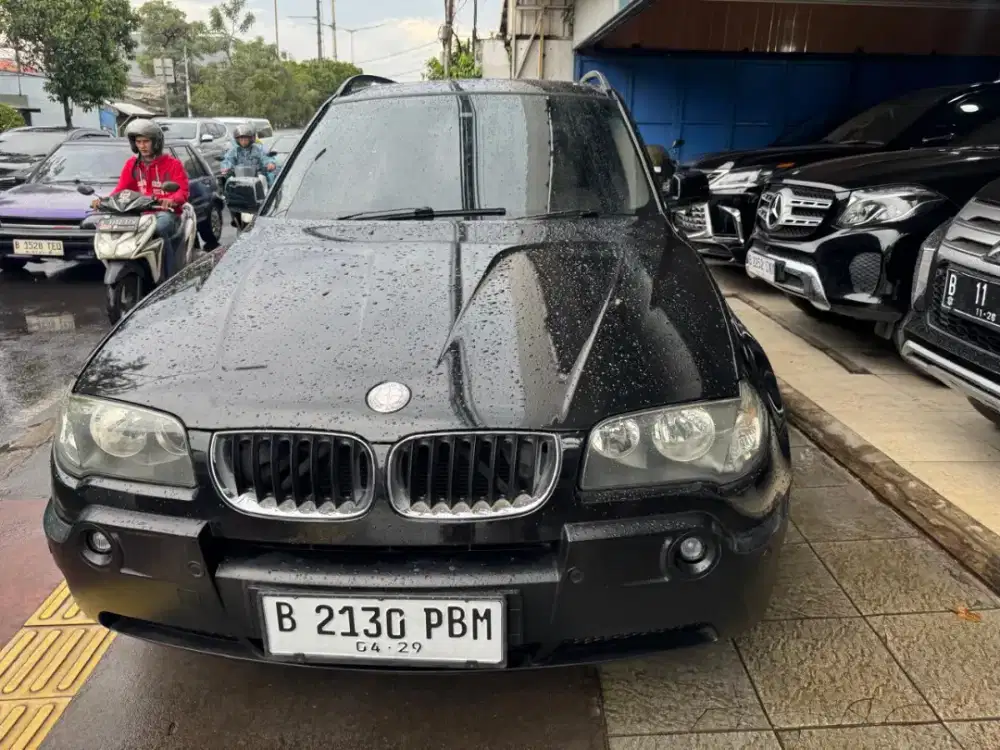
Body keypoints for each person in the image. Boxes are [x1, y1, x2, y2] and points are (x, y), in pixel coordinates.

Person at [94, 119, 190, 277]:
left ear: (156, 143)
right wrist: (104, 201)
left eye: (146, 141)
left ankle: (169, 278)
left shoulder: (173, 164)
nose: (142, 146)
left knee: (159, 228)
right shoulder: (132, 165)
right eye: (138, 142)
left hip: (167, 213)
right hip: (140, 213)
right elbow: (121, 190)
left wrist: (171, 200)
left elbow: (182, 191)